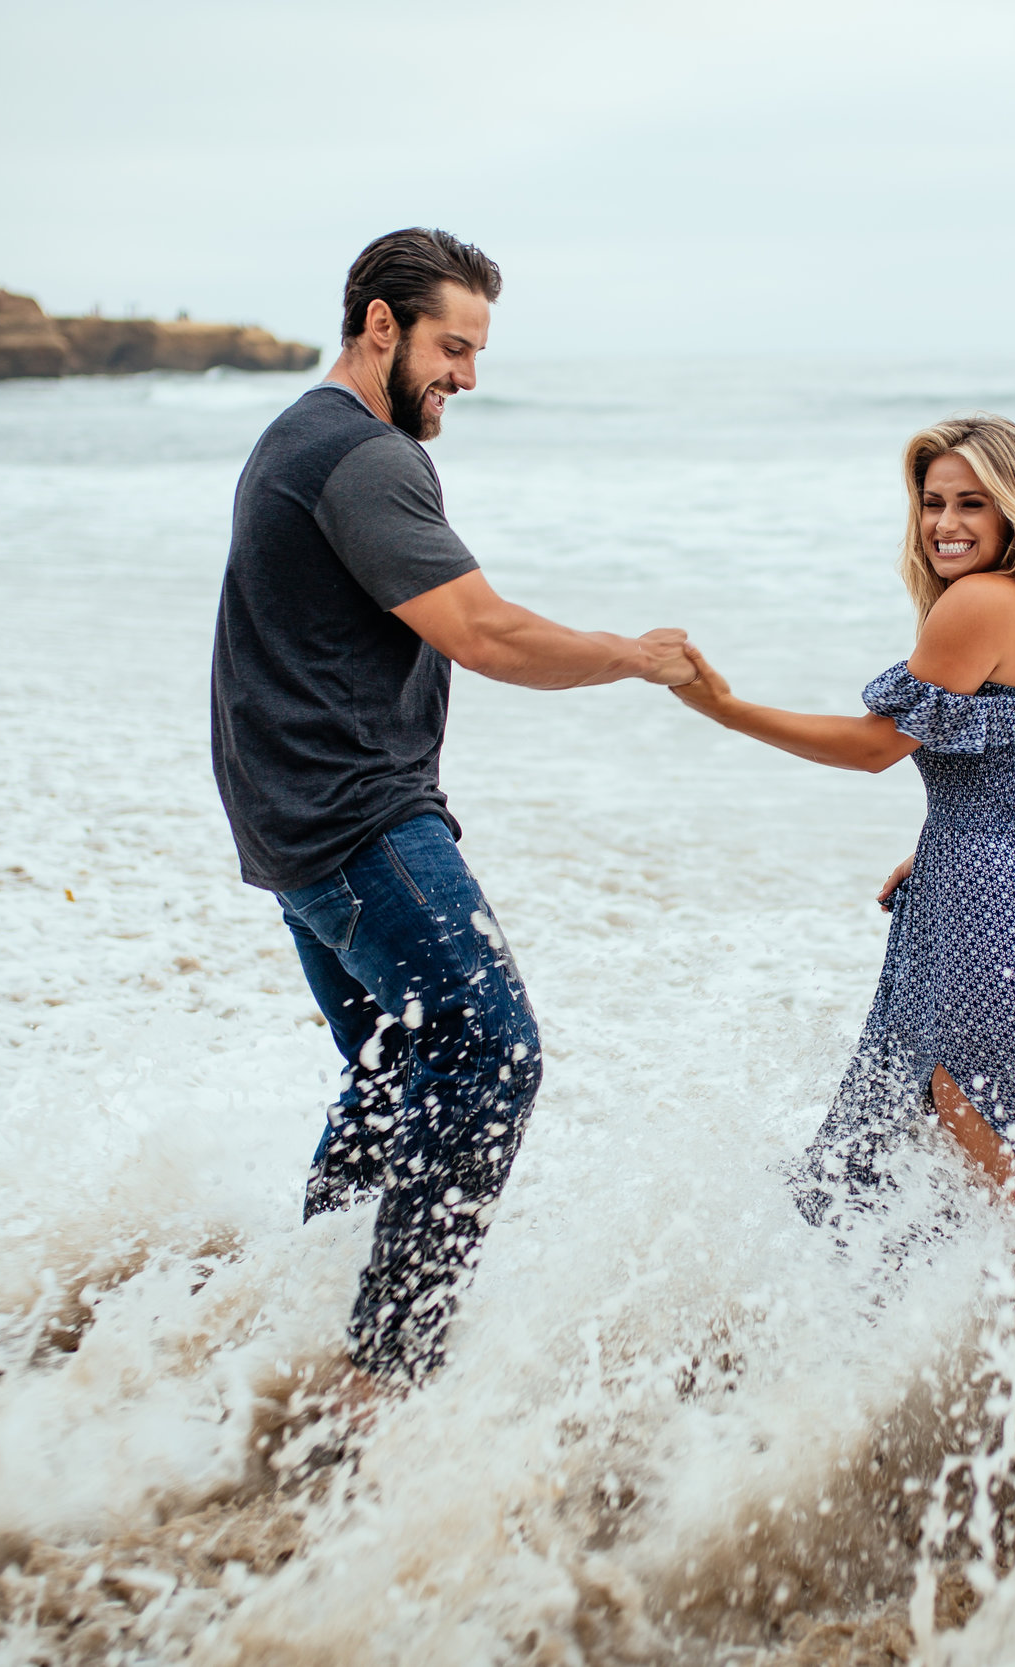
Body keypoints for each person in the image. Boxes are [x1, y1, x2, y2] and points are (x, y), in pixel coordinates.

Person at [209, 228, 695, 1403]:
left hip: (291, 824)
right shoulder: (362, 456)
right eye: (451, 346)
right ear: (380, 323)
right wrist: (633, 656)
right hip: (356, 821)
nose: (466, 376)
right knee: (492, 1053)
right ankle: (385, 1369)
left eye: (474, 350)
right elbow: (487, 634)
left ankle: (301, 1312)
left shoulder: (295, 440)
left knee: (391, 1073)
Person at [668, 414, 1015, 1285]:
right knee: (1007, 1169)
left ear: (1014, 511)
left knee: (1009, 1185)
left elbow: (878, 745)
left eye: (972, 504)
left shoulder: (978, 601)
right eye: (931, 501)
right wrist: (954, 844)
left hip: (988, 925)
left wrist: (726, 709)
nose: (946, 522)